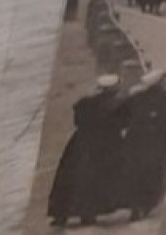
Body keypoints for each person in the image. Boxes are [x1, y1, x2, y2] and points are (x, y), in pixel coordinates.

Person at [47, 74, 128, 227]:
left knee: (73, 176)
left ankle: (61, 213)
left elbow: (77, 121)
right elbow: (123, 123)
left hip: (82, 141)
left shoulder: (85, 103)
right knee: (97, 178)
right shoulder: (117, 104)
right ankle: (89, 213)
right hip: (105, 144)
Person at [118, 70, 166, 221]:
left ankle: (136, 206)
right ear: (161, 83)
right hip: (157, 139)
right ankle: (147, 204)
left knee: (135, 172)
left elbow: (122, 115)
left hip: (135, 139)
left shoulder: (136, 97)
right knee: (155, 171)